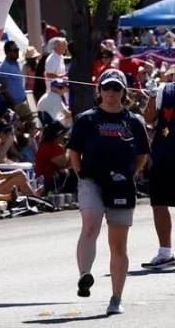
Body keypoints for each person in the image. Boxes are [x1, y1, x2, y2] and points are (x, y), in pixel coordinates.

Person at [67, 68, 149, 315]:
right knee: (90, 224)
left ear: (124, 92)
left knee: (118, 245)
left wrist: (131, 175)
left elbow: (142, 155)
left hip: (122, 184)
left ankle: (116, 298)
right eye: (107, 88)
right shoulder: (86, 119)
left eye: (116, 88)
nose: (111, 93)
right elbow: (73, 152)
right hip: (92, 180)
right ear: (99, 91)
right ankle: (85, 275)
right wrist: (81, 174)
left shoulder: (134, 121)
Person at [141, 77, 175, 269]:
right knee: (159, 203)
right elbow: (147, 118)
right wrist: (153, 96)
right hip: (164, 156)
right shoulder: (165, 90)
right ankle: (165, 252)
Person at [0, 41, 33, 125]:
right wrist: (15, 105)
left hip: (22, 102)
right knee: (27, 123)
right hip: (14, 105)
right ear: (7, 52)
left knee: (29, 125)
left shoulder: (17, 63)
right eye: (15, 50)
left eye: (17, 50)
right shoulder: (4, 67)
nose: (17, 52)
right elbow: (3, 89)